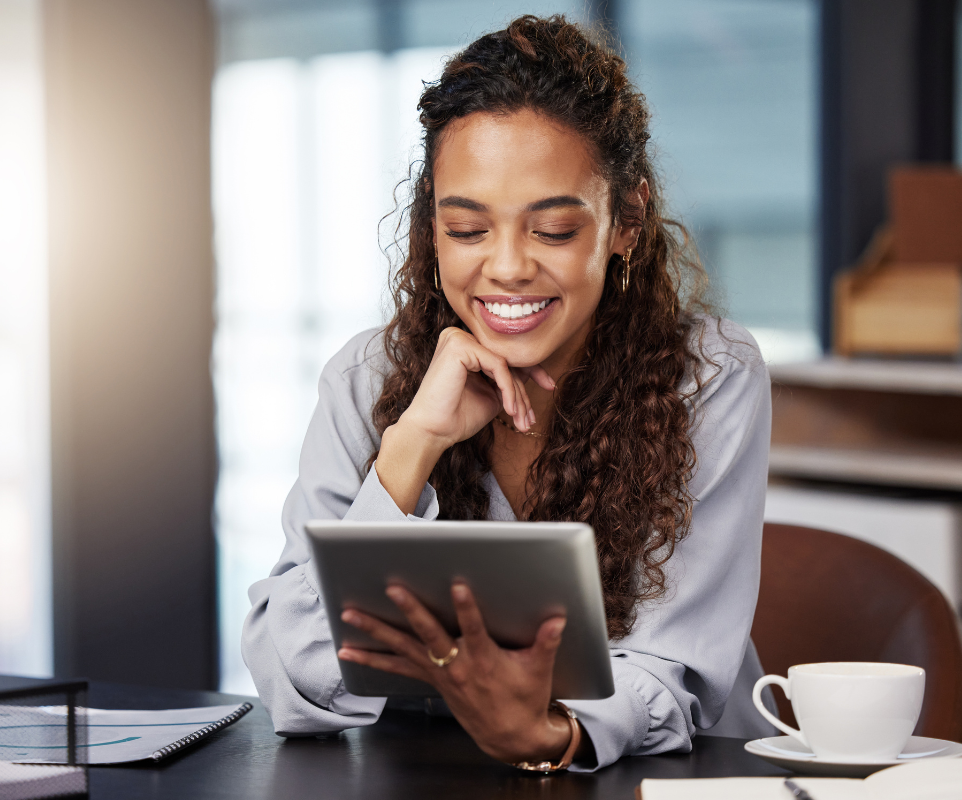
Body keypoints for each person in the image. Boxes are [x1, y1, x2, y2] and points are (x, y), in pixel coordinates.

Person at [241, 14, 776, 771]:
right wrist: (410, 450)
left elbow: (674, 670)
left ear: (627, 221)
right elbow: (293, 681)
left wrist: (552, 736)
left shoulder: (710, 377)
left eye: (553, 230)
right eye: (466, 230)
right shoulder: (368, 379)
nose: (507, 268)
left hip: (665, 778)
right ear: (432, 229)